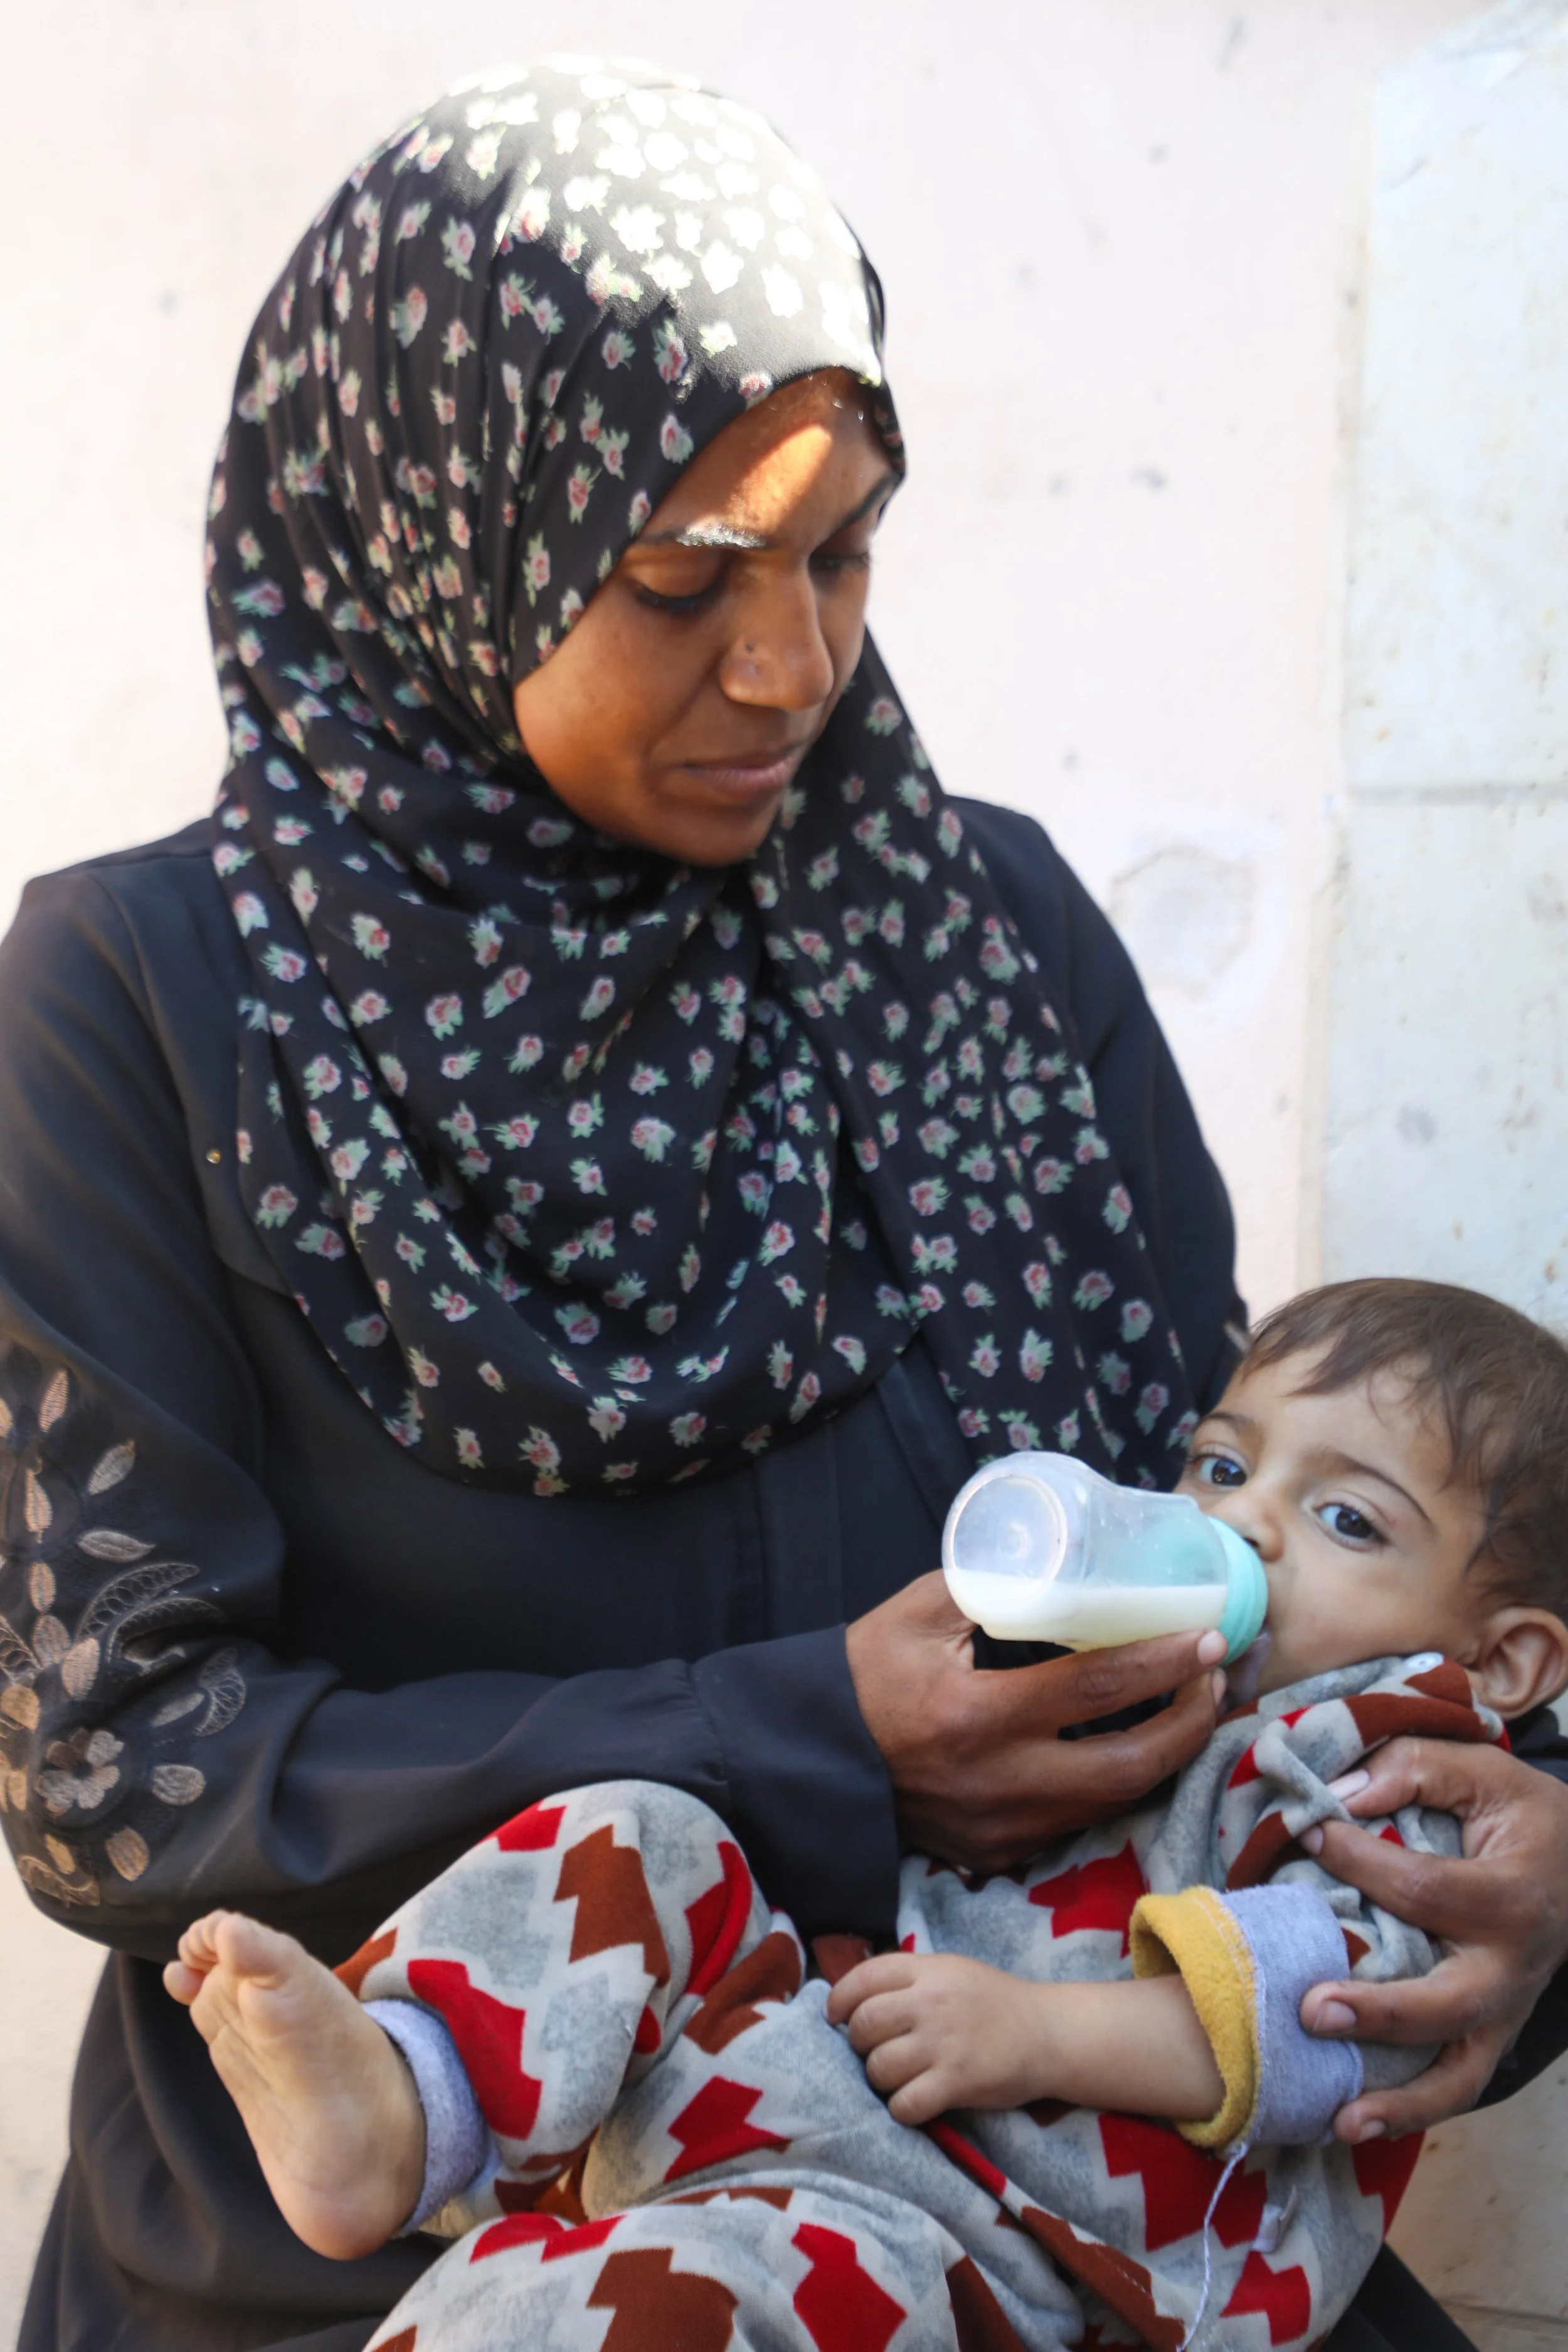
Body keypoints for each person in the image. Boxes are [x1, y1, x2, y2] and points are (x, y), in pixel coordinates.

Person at [2, 58, 1565, 2352]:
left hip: (1019, 2176)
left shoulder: (987, 947)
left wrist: (1526, 1874)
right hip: (409, 2235)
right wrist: (808, 1731)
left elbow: (1266, 1602)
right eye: (679, 582)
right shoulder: (146, 1006)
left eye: (843, 556)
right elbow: (126, 1777)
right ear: (438, 535)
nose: (792, 667)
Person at [161, 1276, 1568, 2351]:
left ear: (1507, 1657)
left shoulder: (1399, 1763)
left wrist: (1032, 2031)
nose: (1243, 1524)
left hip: (1007, 2251)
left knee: (657, 2297)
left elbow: (1320, 2025)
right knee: (644, 1830)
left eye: (1346, 1523)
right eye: (1219, 1464)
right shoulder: (1158, 1672)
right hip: (827, 2078)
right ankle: (410, 2100)